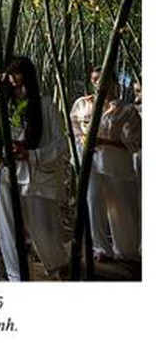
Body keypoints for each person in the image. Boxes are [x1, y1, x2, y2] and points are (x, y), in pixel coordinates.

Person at [0, 56, 68, 280]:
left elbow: (60, 143)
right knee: (8, 227)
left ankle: (56, 264)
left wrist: (32, 155)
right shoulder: (0, 101)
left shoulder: (45, 104)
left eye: (16, 73)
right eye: (9, 73)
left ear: (27, 75)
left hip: (36, 175)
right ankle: (17, 275)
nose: (12, 78)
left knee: (44, 227)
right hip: (6, 172)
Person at [70, 66, 141, 263]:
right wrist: (83, 143)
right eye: (95, 80)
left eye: (103, 80)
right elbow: (75, 130)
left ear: (113, 82)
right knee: (94, 202)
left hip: (117, 165)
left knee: (122, 208)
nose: (99, 84)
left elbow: (137, 142)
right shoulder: (82, 105)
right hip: (91, 164)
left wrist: (103, 142)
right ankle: (101, 248)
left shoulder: (126, 110)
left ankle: (126, 251)